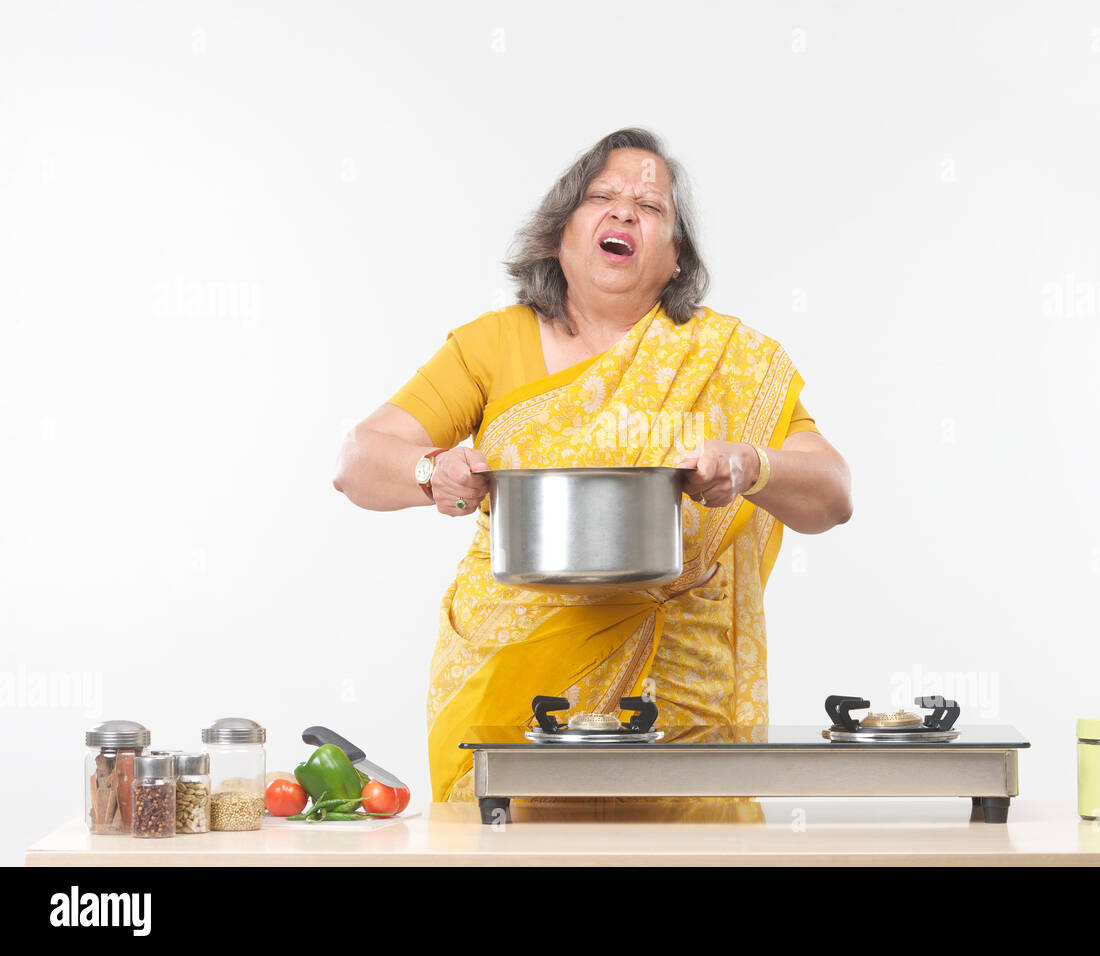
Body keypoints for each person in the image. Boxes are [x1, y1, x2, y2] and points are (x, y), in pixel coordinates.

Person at [333, 128, 853, 804]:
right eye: (601, 196)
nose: (624, 211)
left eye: (651, 206)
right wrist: (434, 473)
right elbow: (357, 460)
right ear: (559, 235)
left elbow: (834, 494)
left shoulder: (730, 358)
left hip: (685, 703)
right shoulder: (494, 343)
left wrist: (752, 464)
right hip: (518, 694)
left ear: (675, 258)